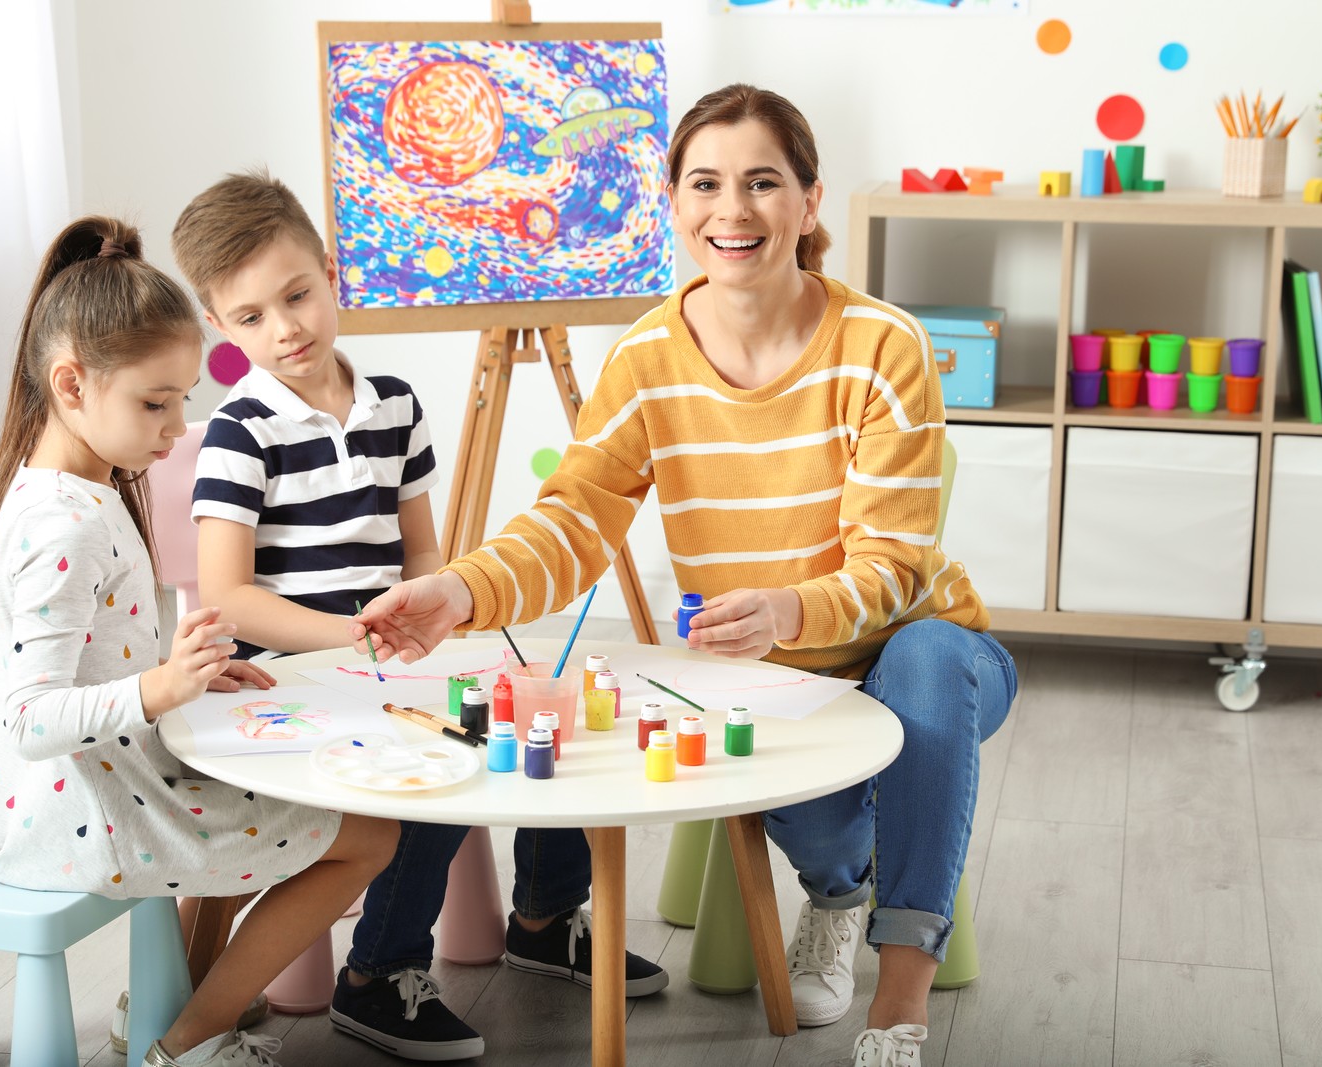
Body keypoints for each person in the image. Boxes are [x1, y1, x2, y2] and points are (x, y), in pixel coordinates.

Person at [351, 84, 1018, 1067]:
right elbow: (573, 520)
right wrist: (459, 590)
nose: (733, 210)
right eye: (705, 183)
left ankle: (899, 1001)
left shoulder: (885, 345)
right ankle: (836, 893)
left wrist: (792, 605)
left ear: (809, 199)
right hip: (768, 679)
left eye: (762, 182)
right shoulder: (649, 356)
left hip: (921, 652)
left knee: (923, 659)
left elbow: (893, 564)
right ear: (672, 201)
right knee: (827, 831)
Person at [170, 171, 667, 1062]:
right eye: (250, 317)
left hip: (384, 664)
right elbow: (231, 598)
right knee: (436, 770)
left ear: (331, 271)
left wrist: (432, 625)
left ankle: (547, 917)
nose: (284, 328)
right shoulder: (240, 431)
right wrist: (352, 634)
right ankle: (378, 976)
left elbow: (424, 556)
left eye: (297, 295)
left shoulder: (394, 405)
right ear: (219, 324)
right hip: (287, 683)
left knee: (539, 711)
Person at [0, 216, 399, 1067]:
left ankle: (166, 1001)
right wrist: (160, 688)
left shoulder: (75, 488)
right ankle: (186, 1039)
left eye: (183, 398)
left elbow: (82, 661)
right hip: (71, 808)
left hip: (100, 777)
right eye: (156, 402)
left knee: (262, 776)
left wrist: (183, 672)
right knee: (371, 833)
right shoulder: (62, 522)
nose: (178, 426)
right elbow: (29, 721)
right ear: (70, 384)